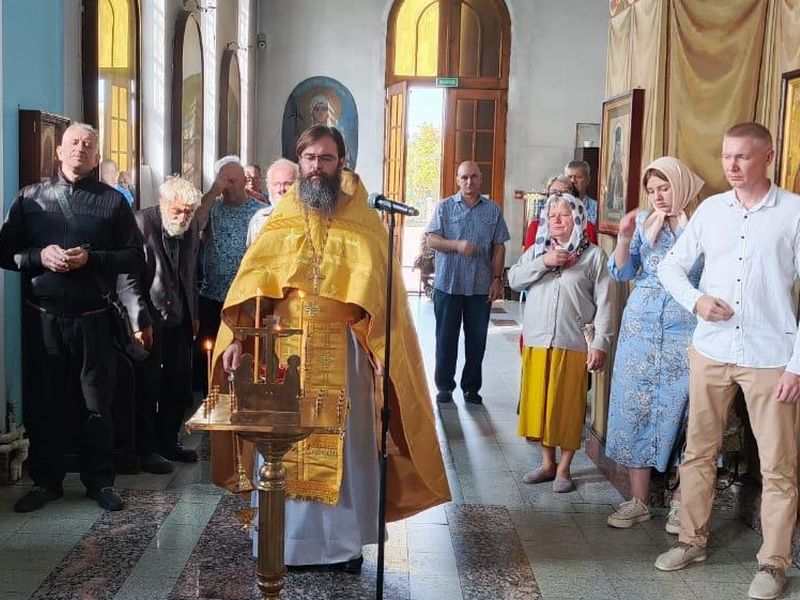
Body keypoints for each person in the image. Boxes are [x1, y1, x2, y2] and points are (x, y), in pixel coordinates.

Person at [210, 125, 450, 571]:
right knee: (285, 445)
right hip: (285, 349)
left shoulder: (364, 220)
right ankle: (287, 543)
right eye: (309, 158)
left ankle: (343, 547)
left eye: (325, 158)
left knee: (349, 445)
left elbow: (381, 290)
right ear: (299, 163)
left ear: (342, 161)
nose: (316, 167)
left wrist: (383, 346)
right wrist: (239, 338)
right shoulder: (280, 219)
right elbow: (251, 285)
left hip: (345, 350)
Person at [655, 122, 800, 600]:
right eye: (726, 156)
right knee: (698, 452)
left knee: (779, 467)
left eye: (742, 157)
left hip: (770, 357)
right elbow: (668, 266)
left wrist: (797, 366)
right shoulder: (712, 212)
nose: (732, 166)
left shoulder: (794, 214)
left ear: (768, 157)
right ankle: (691, 539)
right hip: (712, 350)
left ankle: (774, 563)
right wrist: (696, 301)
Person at [0, 123, 145, 512]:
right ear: (59, 152)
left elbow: (135, 257)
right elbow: (5, 251)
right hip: (43, 317)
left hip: (93, 318)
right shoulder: (31, 198)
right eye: (74, 143)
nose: (81, 149)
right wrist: (38, 257)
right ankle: (45, 481)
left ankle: (99, 481)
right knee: (44, 401)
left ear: (97, 157)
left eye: (89, 144)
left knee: (97, 402)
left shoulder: (113, 202)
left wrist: (93, 259)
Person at [604, 157, 704, 532]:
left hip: (686, 331)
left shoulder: (703, 225)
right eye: (652, 190)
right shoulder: (647, 223)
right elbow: (622, 272)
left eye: (664, 188)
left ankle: (681, 502)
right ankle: (638, 500)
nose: (658, 197)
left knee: (685, 414)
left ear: (681, 185)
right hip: (640, 331)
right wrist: (626, 237)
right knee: (635, 407)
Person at [508, 194, 614, 492]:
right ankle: (546, 463)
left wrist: (600, 345)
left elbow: (606, 304)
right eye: (552, 214)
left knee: (566, 406)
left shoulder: (593, 257)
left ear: (578, 219)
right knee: (540, 405)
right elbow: (515, 280)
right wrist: (545, 261)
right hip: (538, 340)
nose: (556, 219)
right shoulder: (536, 251)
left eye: (564, 214)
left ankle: (565, 468)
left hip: (573, 342)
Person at [117, 176, 202, 472]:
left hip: (180, 316)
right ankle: (147, 449)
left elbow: (190, 274)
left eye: (189, 212)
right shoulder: (140, 222)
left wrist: (194, 314)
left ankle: (169, 441)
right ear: (164, 204)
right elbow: (127, 279)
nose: (184, 217)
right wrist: (139, 321)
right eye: (178, 211)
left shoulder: (191, 227)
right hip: (149, 317)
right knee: (147, 385)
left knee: (179, 384)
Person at [426, 161, 510, 405]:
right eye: (464, 177)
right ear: (457, 179)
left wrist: (497, 279)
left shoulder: (493, 211)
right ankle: (444, 386)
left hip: (479, 287)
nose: (469, 182)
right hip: (448, 286)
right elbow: (431, 240)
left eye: (473, 177)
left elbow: (499, 246)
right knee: (445, 339)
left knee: (477, 341)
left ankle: (471, 388)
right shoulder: (444, 208)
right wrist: (456, 245)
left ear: (480, 178)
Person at [193, 156, 262, 393]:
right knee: (209, 358)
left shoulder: (260, 211)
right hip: (212, 297)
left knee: (242, 360)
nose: (230, 186)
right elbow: (194, 227)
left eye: (234, 180)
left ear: (245, 180)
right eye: (225, 181)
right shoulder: (212, 207)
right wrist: (213, 192)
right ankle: (209, 404)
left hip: (245, 300)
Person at [523, 175, 598, 250]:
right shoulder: (535, 227)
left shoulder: (588, 228)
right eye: (553, 192)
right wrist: (544, 260)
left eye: (564, 192)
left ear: (573, 197)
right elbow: (529, 259)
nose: (558, 196)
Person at [246, 158, 299, 248]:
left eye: (287, 184)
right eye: (276, 184)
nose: (281, 189)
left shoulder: (309, 219)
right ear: (268, 187)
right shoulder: (259, 219)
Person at [565, 160, 598, 226]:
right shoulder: (555, 205)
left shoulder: (596, 209)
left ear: (588, 180)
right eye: (570, 177)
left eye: (578, 177)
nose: (573, 181)